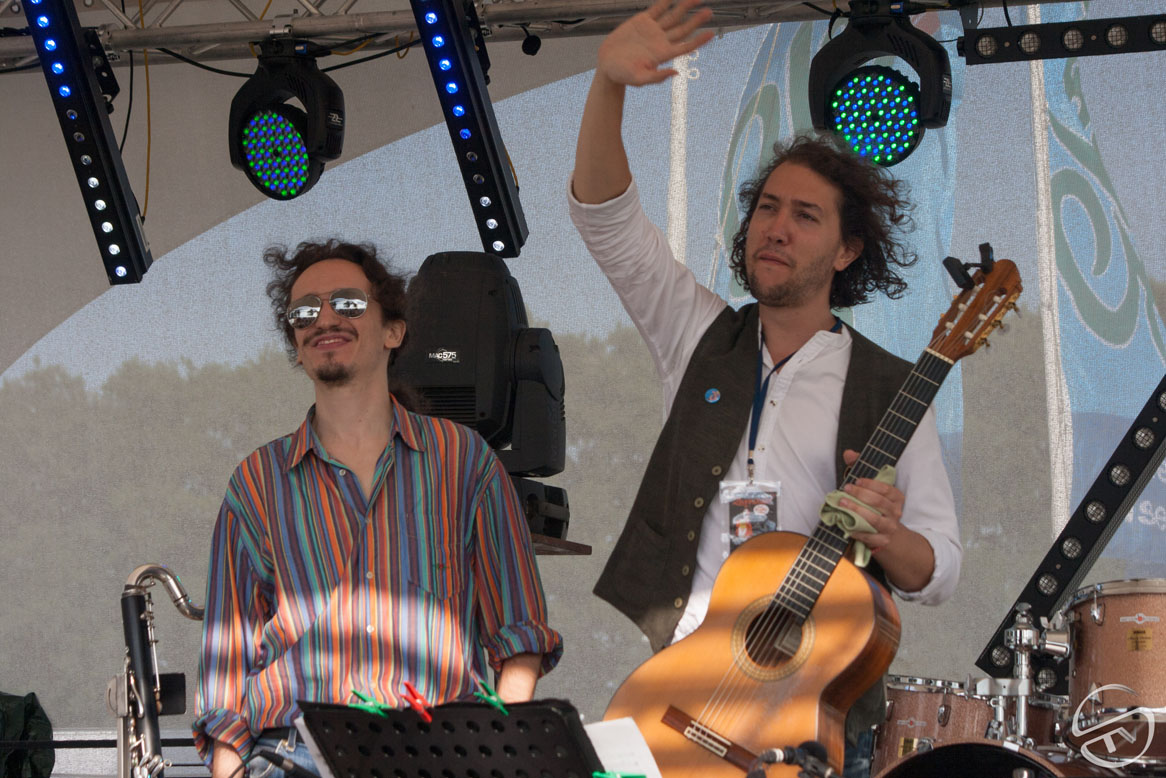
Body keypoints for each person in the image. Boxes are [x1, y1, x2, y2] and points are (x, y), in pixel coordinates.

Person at [569, 1, 961, 775]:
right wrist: (606, 84)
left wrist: (889, 538)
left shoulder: (891, 387)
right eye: (767, 209)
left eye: (805, 216)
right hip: (679, 692)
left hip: (810, 715)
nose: (775, 227)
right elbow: (608, 224)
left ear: (847, 250)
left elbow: (938, 569)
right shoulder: (697, 333)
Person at [192, 241, 562, 778]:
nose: (323, 319)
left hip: (437, 751)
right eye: (304, 312)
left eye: (347, 303)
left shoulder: (464, 460)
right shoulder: (256, 481)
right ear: (297, 346)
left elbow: (520, 629)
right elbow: (226, 661)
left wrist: (500, 754)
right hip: (295, 752)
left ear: (393, 332)